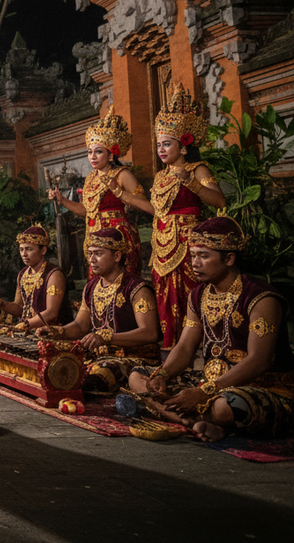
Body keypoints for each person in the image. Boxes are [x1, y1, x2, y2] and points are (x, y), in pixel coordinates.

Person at [127, 217, 293, 441]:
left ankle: (190, 418)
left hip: (259, 387)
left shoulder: (260, 297)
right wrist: (162, 376)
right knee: (139, 377)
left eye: (204, 256)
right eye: (193, 255)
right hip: (209, 382)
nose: (195, 263)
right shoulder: (199, 294)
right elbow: (185, 347)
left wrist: (203, 392)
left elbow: (259, 360)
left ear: (230, 259)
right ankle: (193, 421)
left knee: (226, 406)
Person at [147, 84, 225, 349]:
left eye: (166, 144)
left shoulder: (197, 168)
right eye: (158, 144)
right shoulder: (160, 176)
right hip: (161, 245)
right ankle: (169, 350)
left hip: (189, 244)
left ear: (183, 145)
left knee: (191, 294)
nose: (161, 149)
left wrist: (191, 182)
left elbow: (219, 200)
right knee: (164, 296)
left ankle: (199, 349)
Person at [36, 228, 160, 393]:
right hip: (99, 357)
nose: (91, 260)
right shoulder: (91, 287)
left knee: (83, 379)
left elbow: (150, 333)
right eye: (90, 253)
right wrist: (57, 331)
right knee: (53, 367)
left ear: (116, 256)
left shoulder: (137, 289)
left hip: (133, 359)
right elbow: (80, 325)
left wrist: (107, 337)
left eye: (98, 254)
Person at [47, 104, 145, 276]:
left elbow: (143, 205)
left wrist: (121, 195)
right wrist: (62, 200)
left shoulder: (122, 174)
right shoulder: (90, 178)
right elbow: (86, 211)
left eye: (98, 152)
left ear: (111, 154)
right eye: (89, 152)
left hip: (117, 238)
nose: (92, 156)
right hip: (93, 238)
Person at [0, 225, 72, 330]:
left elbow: (51, 313)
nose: (24, 254)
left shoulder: (53, 274)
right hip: (28, 331)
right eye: (21, 249)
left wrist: (26, 324)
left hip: (53, 333)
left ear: (43, 250)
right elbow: (19, 308)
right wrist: (1, 304)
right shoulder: (22, 274)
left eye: (29, 249)